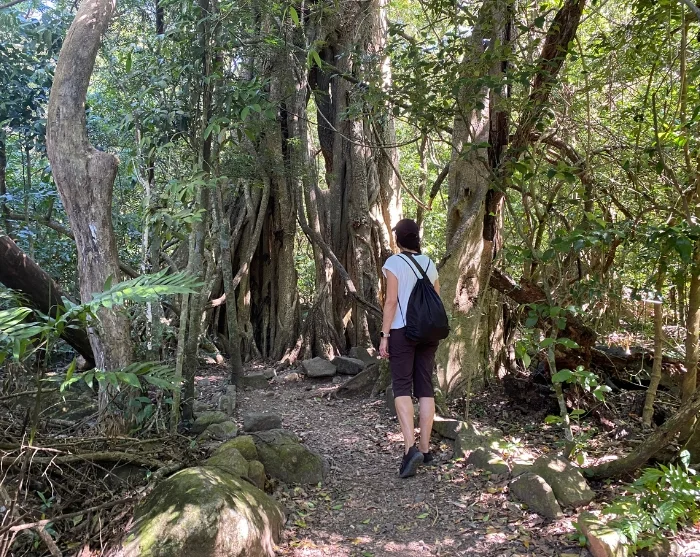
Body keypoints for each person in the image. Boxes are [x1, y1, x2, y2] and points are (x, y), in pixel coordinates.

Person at [379, 218, 440, 478]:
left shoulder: (394, 263)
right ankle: (425, 449)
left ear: (399, 239)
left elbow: (391, 302)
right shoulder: (429, 263)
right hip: (428, 331)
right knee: (425, 387)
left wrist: (384, 335)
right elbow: (436, 299)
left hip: (402, 331)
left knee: (402, 386)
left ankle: (410, 449)